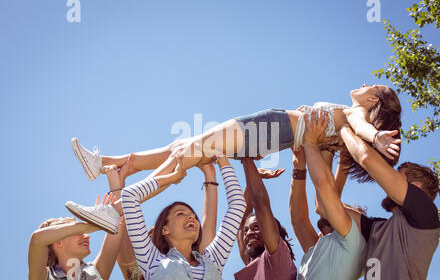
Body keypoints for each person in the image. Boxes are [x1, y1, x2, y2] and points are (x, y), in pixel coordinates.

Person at [71, 84, 402, 184]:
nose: (363, 86)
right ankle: (103, 164)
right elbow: (318, 169)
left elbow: (361, 126)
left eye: (371, 87)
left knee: (184, 154)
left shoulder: (354, 116)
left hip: (272, 125)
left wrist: (375, 138)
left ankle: (123, 202)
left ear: (373, 100)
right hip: (275, 135)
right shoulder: (334, 136)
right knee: (181, 146)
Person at [65, 153, 247, 280]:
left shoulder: (212, 260)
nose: (192, 217)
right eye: (181, 213)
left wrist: (221, 159)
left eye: (193, 215)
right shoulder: (151, 261)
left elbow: (238, 206)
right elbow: (129, 197)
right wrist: (172, 176)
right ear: (165, 230)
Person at [339, 123, 440, 280]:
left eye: (397, 175)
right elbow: (325, 206)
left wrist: (343, 128)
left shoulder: (426, 213)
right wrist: (335, 155)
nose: (389, 176)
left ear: (415, 188)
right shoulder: (377, 229)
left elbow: (366, 158)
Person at [114, 155, 220, 280]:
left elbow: (208, 221)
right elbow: (119, 221)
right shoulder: (138, 271)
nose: (153, 234)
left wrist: (209, 172)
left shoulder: (194, 260)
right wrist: (118, 180)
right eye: (149, 234)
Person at [289, 111, 367, 280]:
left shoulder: (355, 243)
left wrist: (323, 148)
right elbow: (299, 220)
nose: (337, 211)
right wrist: (299, 166)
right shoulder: (322, 247)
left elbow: (326, 199)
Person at [28, 166, 125, 280]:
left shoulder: (93, 274)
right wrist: (96, 223)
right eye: (78, 232)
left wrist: (115, 179)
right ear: (58, 241)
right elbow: (37, 239)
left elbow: (117, 221)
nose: (87, 236)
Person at [234, 158, 297, 280]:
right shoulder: (253, 262)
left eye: (256, 227)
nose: (248, 233)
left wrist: (246, 158)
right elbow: (240, 222)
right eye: (246, 231)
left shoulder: (277, 258)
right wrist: (255, 175)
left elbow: (261, 205)